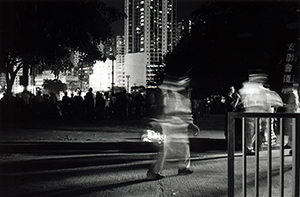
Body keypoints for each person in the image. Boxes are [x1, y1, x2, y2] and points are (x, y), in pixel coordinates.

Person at [146, 75, 200, 179]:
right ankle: (153, 171)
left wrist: (190, 124)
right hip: (169, 127)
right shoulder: (170, 96)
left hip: (177, 127)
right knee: (165, 150)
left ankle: (183, 168)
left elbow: (183, 113)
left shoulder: (180, 97)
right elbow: (164, 111)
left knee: (183, 148)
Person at [239, 72, 283, 155]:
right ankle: (250, 148)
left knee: (256, 132)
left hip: (257, 114)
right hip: (254, 114)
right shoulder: (253, 88)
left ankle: (253, 147)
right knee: (252, 132)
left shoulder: (252, 88)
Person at [281, 83, 299, 154]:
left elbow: (294, 105)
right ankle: (290, 143)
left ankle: (292, 146)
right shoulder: (295, 93)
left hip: (292, 114)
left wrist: (285, 106)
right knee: (291, 130)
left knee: (292, 130)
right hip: (292, 113)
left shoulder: (293, 94)